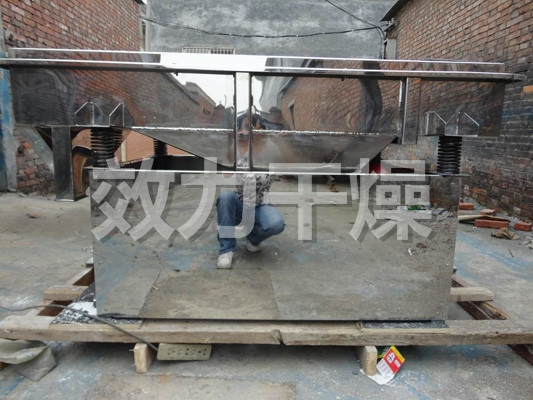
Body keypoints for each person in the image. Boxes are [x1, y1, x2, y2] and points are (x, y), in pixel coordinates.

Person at [216, 114, 285, 269]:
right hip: (240, 202)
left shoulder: (271, 150)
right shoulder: (237, 148)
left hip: (261, 203)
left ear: (261, 129)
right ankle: (226, 250)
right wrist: (239, 149)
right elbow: (226, 174)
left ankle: (253, 238)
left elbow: (288, 163)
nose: (245, 132)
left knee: (276, 223)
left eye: (250, 127)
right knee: (226, 196)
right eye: (240, 128)